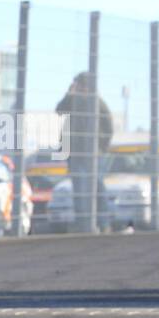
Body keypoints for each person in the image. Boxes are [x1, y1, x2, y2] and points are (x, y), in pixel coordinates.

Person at [56, 72, 114, 232]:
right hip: (75, 154)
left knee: (97, 188)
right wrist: (69, 94)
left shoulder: (97, 103)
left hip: (94, 155)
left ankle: (103, 224)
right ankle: (84, 225)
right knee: (80, 190)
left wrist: (100, 148)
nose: (79, 88)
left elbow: (109, 127)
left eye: (80, 85)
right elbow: (59, 110)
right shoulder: (72, 101)